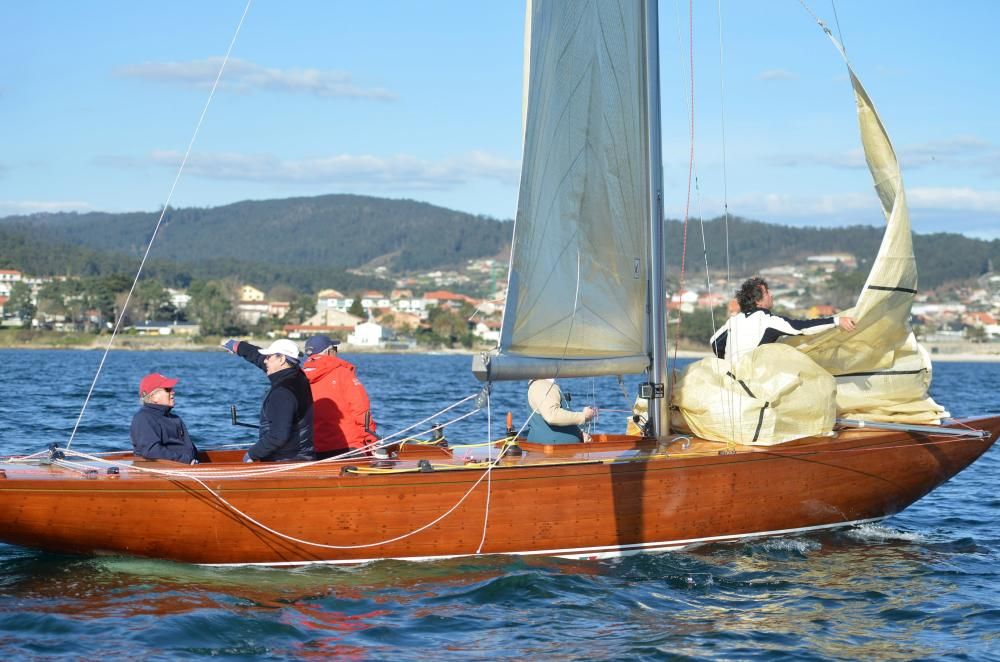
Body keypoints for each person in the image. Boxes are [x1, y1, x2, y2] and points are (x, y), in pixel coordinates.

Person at [711, 276, 857, 362]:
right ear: (758, 301)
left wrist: (729, 359)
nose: (772, 294)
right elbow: (802, 327)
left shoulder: (734, 320)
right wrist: (836, 321)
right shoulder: (767, 320)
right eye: (767, 292)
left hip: (729, 379)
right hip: (751, 381)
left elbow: (714, 343)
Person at [221, 337, 315, 462]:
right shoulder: (298, 375)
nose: (265, 361)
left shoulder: (283, 393)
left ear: (281, 359)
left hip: (286, 460)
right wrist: (239, 347)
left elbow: (278, 436)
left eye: (268, 357)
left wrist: (251, 454)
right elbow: (259, 358)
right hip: (302, 456)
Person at [302, 334, 378, 459]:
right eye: (335, 349)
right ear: (329, 352)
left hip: (314, 451)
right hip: (348, 447)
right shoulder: (343, 374)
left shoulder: (300, 378)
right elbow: (361, 411)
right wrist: (372, 441)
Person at [130, 372, 199, 464]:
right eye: (167, 389)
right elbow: (151, 451)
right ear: (153, 397)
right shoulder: (143, 418)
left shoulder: (175, 418)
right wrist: (186, 460)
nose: (173, 392)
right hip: (161, 472)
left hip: (187, 468)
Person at [526, 378, 596, 444]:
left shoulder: (546, 385)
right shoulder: (542, 386)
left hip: (561, 451)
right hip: (552, 452)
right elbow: (552, 416)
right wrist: (584, 416)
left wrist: (579, 433)